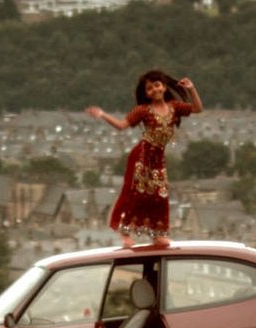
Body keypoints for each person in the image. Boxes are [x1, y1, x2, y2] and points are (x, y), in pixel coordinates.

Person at [86, 69, 203, 248]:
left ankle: (157, 234)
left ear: (164, 87)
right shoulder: (142, 110)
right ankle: (125, 231)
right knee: (137, 195)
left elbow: (197, 109)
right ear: (146, 94)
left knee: (160, 196)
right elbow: (122, 125)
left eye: (157, 85)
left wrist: (191, 89)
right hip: (142, 156)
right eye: (149, 88)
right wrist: (102, 115)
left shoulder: (174, 107)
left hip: (158, 159)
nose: (154, 90)